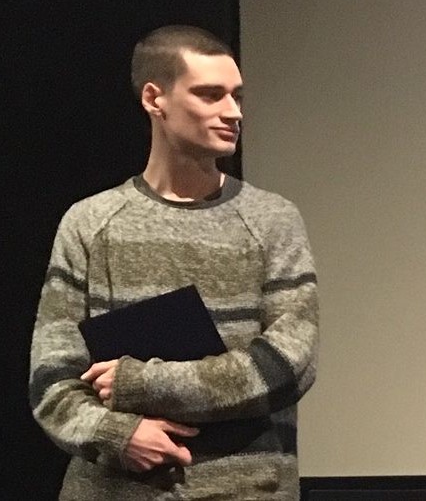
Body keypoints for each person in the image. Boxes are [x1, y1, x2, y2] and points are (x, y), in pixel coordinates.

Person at [29, 25, 319, 499]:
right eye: (210, 94)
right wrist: (118, 434)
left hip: (246, 490)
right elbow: (51, 379)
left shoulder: (271, 220)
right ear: (154, 99)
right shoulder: (91, 222)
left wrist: (142, 383)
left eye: (237, 96)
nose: (233, 112)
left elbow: (288, 365)